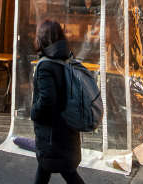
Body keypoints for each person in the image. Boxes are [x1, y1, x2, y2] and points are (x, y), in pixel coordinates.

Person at [31, 20, 85, 184]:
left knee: (62, 169)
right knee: (52, 167)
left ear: (42, 39)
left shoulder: (46, 66)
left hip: (52, 133)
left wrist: (34, 111)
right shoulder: (67, 60)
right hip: (67, 127)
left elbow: (48, 99)